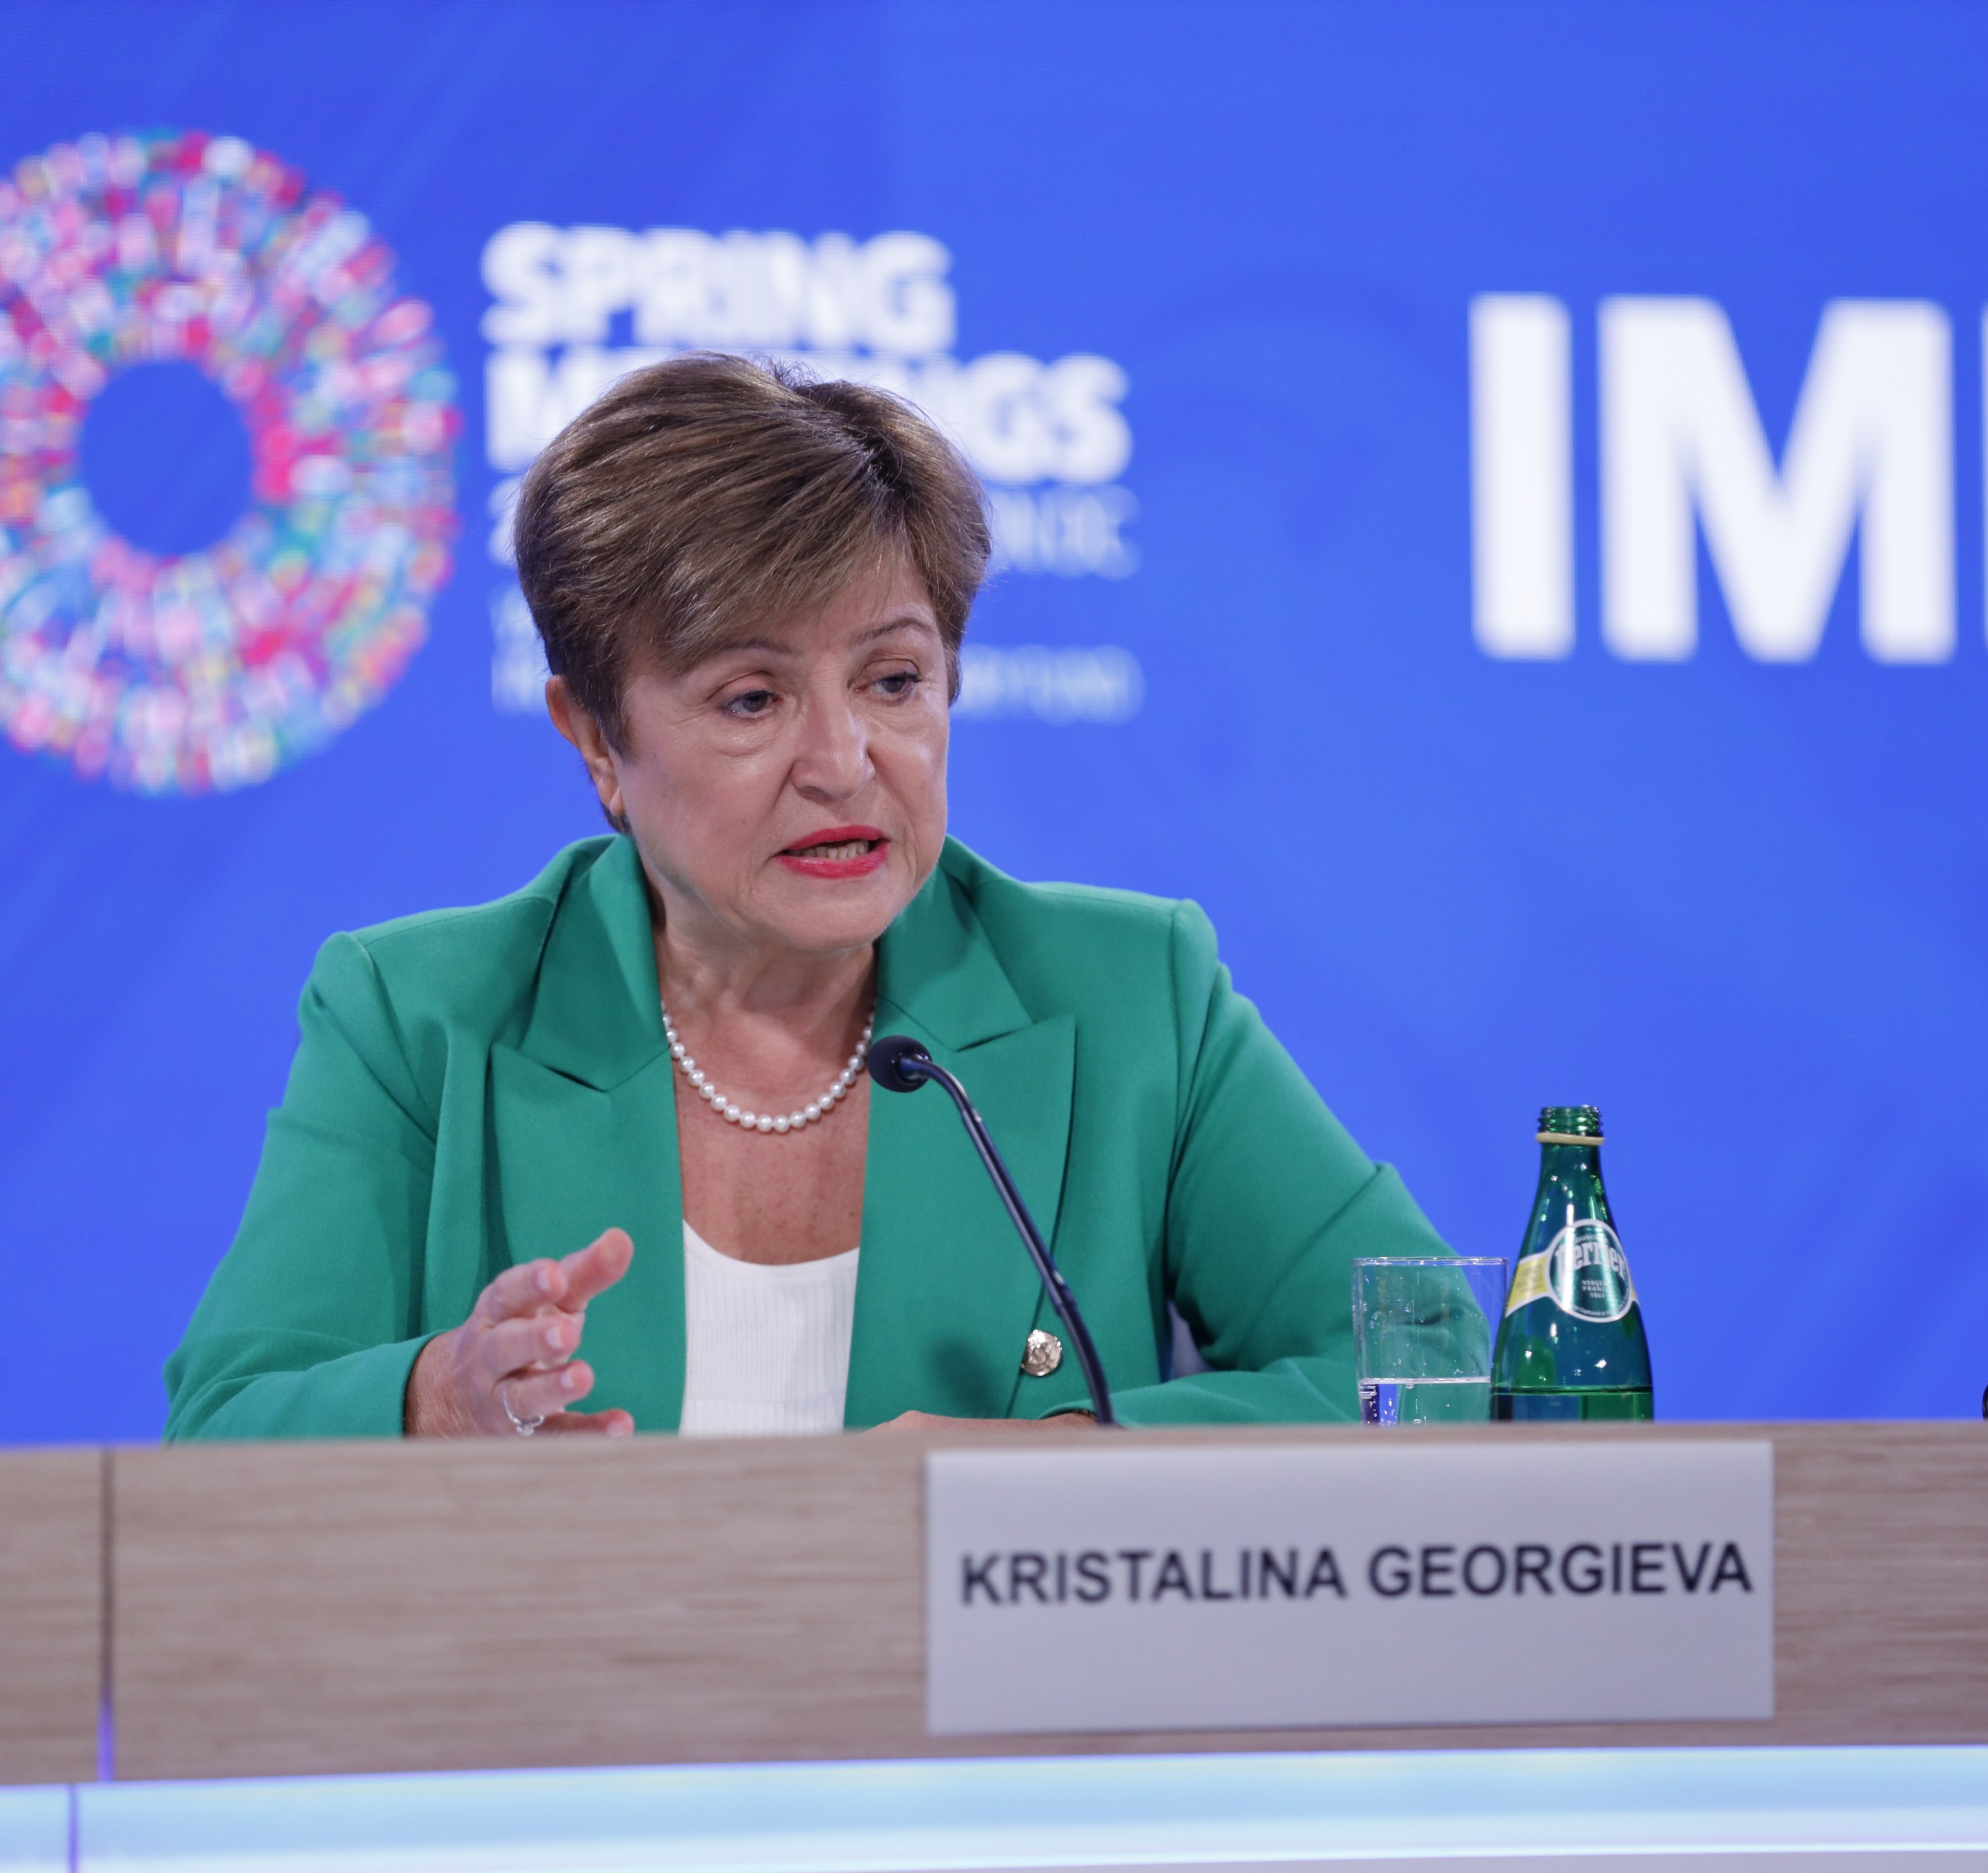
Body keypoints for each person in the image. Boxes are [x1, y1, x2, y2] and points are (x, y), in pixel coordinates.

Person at [164, 353, 1452, 1441]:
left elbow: (1446, 1373)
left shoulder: (1132, 998)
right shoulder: (420, 1019)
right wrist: (428, 1398)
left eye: (894, 680)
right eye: (751, 698)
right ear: (596, 737)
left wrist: (1085, 1460)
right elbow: (221, 1426)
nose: (844, 764)